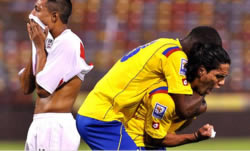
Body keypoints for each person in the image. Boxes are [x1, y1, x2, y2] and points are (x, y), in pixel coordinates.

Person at [76, 26, 223, 150]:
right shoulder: (176, 56)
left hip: (100, 114)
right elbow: (184, 109)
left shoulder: (165, 43)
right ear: (199, 48)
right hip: (103, 118)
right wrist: (206, 85)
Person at [18, 0, 93, 150]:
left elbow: (43, 90)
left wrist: (40, 49)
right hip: (39, 123)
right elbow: (26, 88)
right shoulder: (44, 42)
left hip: (55, 128)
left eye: (37, 9)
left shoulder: (69, 43)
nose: (32, 15)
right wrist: (36, 46)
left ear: (54, 16)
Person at [126, 43, 231, 150]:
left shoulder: (195, 103)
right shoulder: (165, 98)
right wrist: (195, 136)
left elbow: (169, 131)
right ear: (201, 71)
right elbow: (153, 139)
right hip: (136, 146)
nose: (222, 82)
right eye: (219, 76)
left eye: (224, 77)